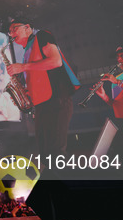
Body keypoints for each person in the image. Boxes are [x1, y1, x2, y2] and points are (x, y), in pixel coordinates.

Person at [5, 17, 79, 156]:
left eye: (14, 29)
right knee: (45, 152)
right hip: (42, 105)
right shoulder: (27, 51)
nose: (11, 33)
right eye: (9, 32)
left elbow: (56, 61)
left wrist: (23, 67)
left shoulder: (42, 35)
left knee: (55, 152)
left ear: (27, 27)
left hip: (56, 100)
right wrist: (23, 93)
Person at [95, 45, 123, 119]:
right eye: (117, 57)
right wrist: (104, 97)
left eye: (122, 55)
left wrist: (118, 82)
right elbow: (119, 106)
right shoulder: (117, 78)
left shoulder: (117, 80)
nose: (119, 59)